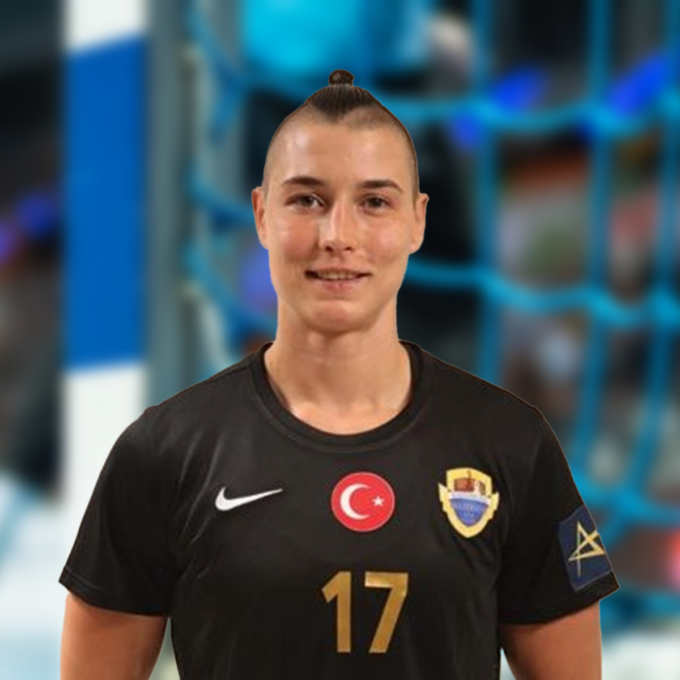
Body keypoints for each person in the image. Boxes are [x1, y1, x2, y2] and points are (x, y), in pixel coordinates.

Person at [59, 69, 619, 679]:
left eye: (374, 202)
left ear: (417, 221)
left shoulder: (511, 443)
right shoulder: (164, 451)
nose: (338, 236)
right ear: (262, 214)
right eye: (307, 200)